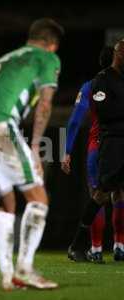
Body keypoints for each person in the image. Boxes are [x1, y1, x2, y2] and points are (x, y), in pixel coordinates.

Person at [0, 18, 63, 290]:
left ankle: (9, 276)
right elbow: (45, 103)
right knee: (39, 198)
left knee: (6, 204)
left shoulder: (7, 57)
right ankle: (26, 268)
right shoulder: (47, 58)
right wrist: (34, 147)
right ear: (52, 45)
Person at [62, 47, 124, 263]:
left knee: (98, 195)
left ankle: (96, 249)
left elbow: (76, 120)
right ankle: (119, 246)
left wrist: (67, 151)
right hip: (113, 145)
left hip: (100, 146)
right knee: (119, 195)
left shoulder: (91, 86)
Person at [90, 39, 124, 256]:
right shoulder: (96, 82)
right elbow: (75, 120)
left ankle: (119, 246)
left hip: (111, 143)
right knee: (101, 193)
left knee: (120, 194)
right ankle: (93, 245)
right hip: (102, 145)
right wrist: (66, 150)